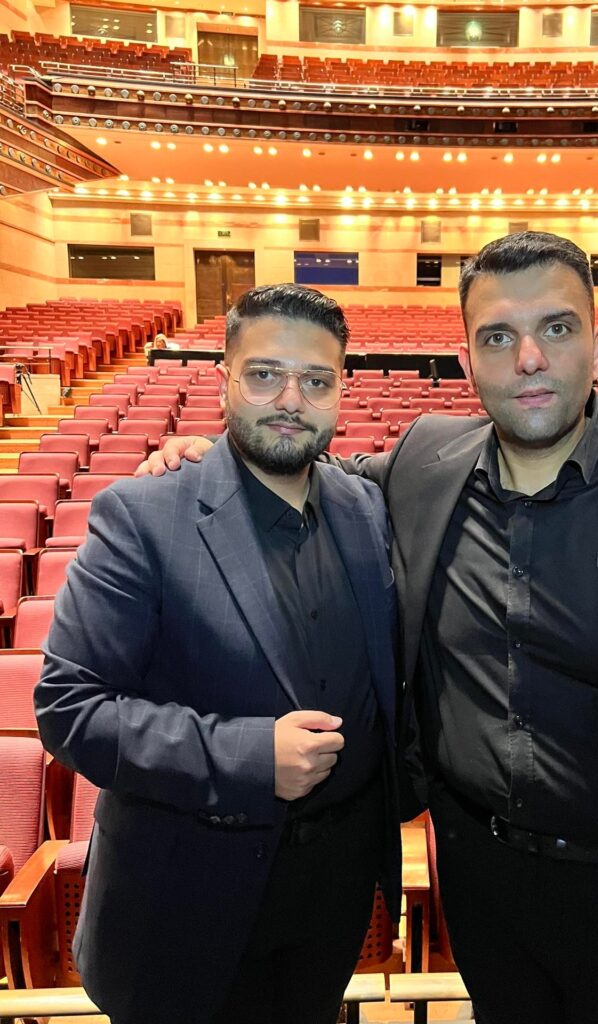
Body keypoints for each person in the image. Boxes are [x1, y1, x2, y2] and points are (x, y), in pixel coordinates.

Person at [140, 232, 598, 1024]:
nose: (528, 358)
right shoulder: (425, 460)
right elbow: (316, 483)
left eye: (556, 328)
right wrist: (215, 457)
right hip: (484, 889)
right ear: (467, 363)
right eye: (497, 336)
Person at [35, 284, 401, 1024]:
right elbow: (70, 710)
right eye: (264, 374)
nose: (290, 400)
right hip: (179, 911)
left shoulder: (365, 507)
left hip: (327, 905)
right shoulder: (142, 514)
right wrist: (248, 757)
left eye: (316, 380)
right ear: (224, 378)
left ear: (341, 389)